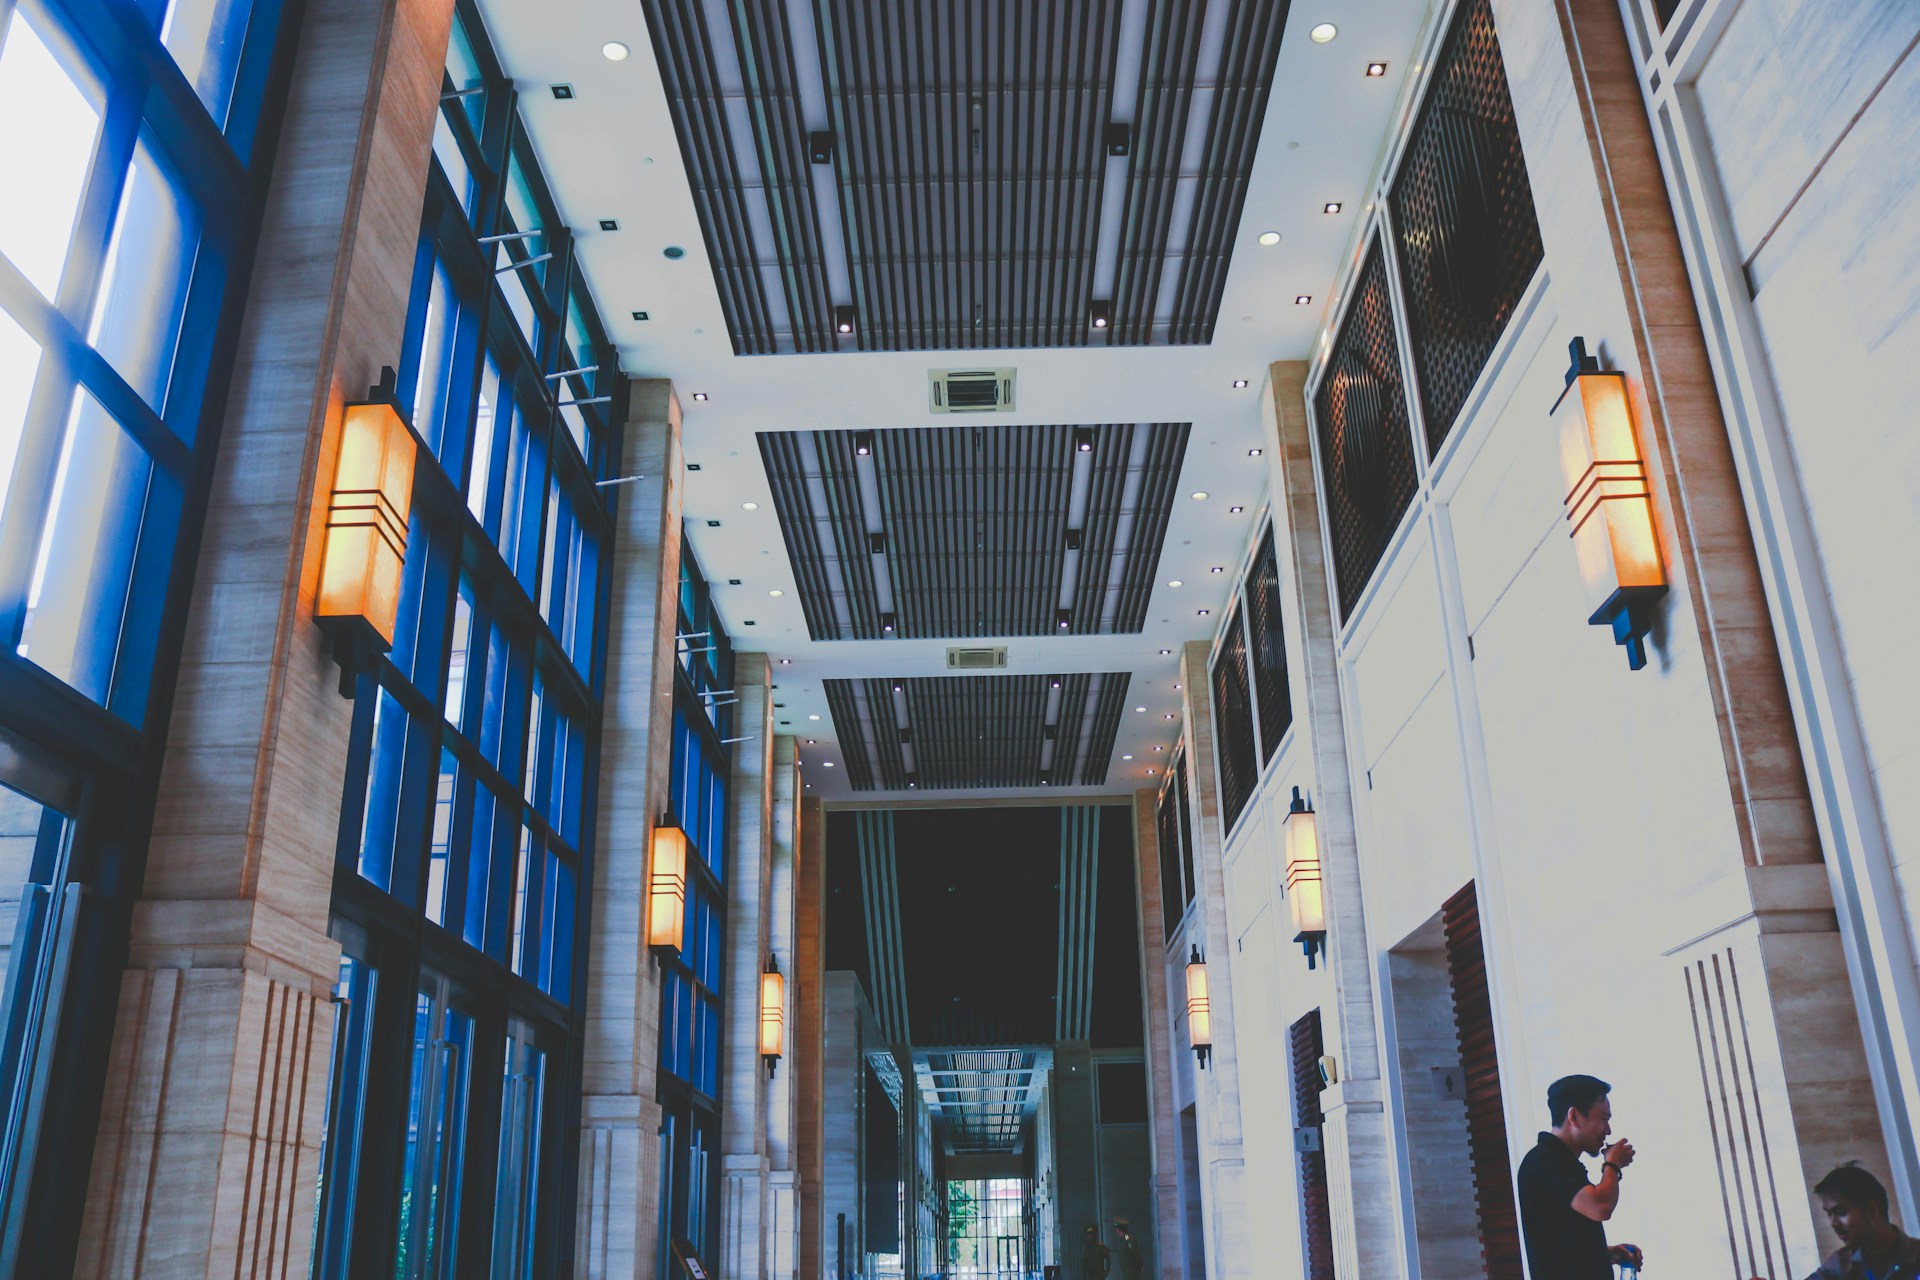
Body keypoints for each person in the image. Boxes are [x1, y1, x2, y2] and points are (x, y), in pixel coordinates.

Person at [1516, 1074, 1645, 1280]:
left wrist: (1606, 1254)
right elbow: (1600, 1207)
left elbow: (1561, 1243)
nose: (1608, 1130)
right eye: (1603, 1119)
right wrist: (1612, 1163)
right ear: (1574, 1117)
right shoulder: (1547, 1160)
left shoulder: (1557, 1160)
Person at [1805, 1163, 1920, 1279]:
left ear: (1872, 1210)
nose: (1833, 1223)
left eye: (1840, 1211)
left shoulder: (1916, 1256)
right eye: (1829, 1213)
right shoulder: (1841, 1264)